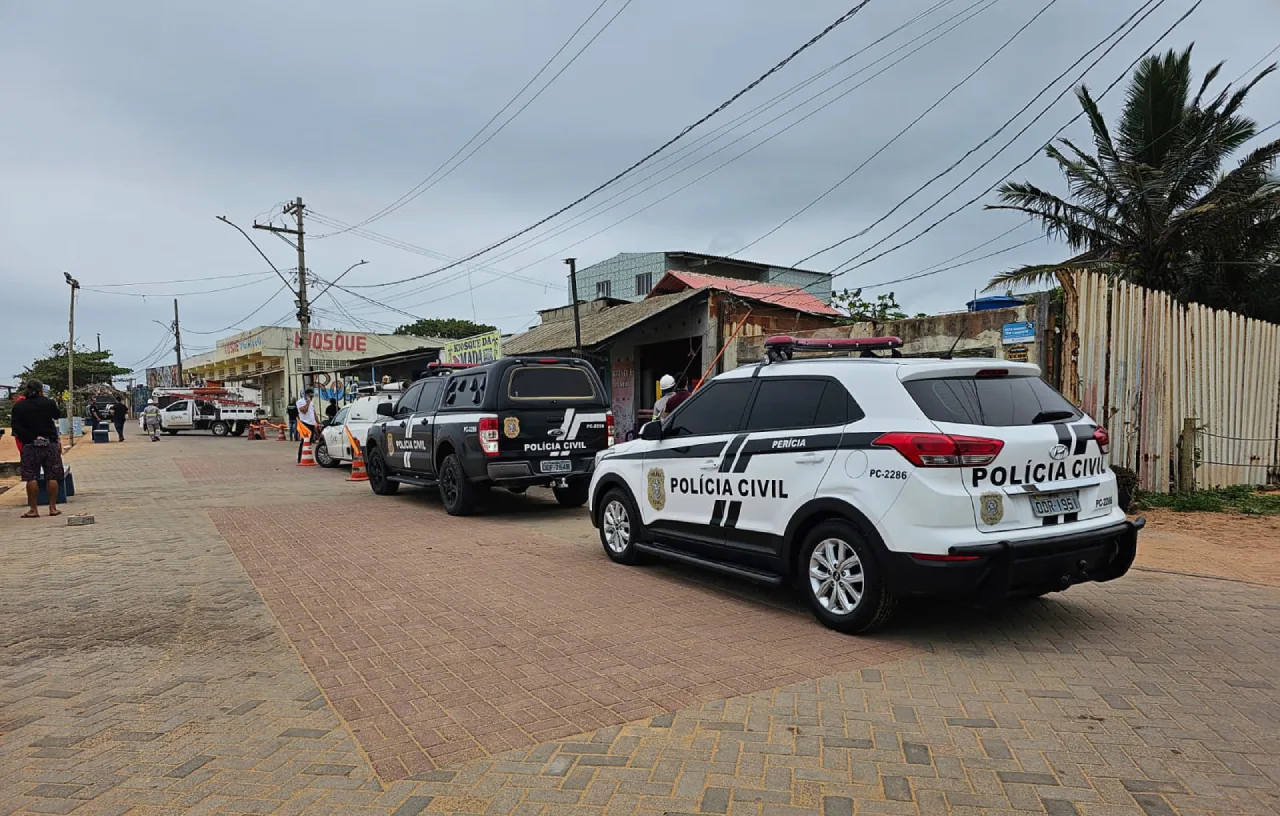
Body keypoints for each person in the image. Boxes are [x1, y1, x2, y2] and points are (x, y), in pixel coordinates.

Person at [12, 379, 65, 519]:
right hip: (50, 444)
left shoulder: (19, 406)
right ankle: (53, 508)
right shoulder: (48, 403)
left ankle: (33, 509)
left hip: (29, 445)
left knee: (31, 477)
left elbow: (16, 427)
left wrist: (30, 437)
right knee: (52, 475)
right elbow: (57, 415)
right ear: (41, 389)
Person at [295, 389, 318, 462]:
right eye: (310, 395)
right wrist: (307, 403)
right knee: (304, 441)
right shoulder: (300, 402)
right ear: (306, 395)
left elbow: (314, 413)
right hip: (305, 423)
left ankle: (306, 456)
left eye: (312, 395)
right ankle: (300, 457)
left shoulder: (312, 403)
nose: (312, 397)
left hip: (311, 423)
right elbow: (304, 411)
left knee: (310, 441)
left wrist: (317, 422)